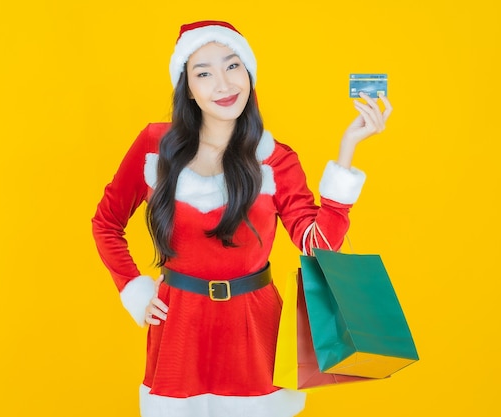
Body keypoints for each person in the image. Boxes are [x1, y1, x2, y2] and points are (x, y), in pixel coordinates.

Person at [92, 20, 392, 417]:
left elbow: (318, 246)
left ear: (248, 74)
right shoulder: (154, 146)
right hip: (181, 327)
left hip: (255, 329)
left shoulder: (277, 158)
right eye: (204, 73)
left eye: (233, 66)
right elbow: (106, 221)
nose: (223, 84)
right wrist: (134, 289)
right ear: (189, 89)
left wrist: (348, 150)